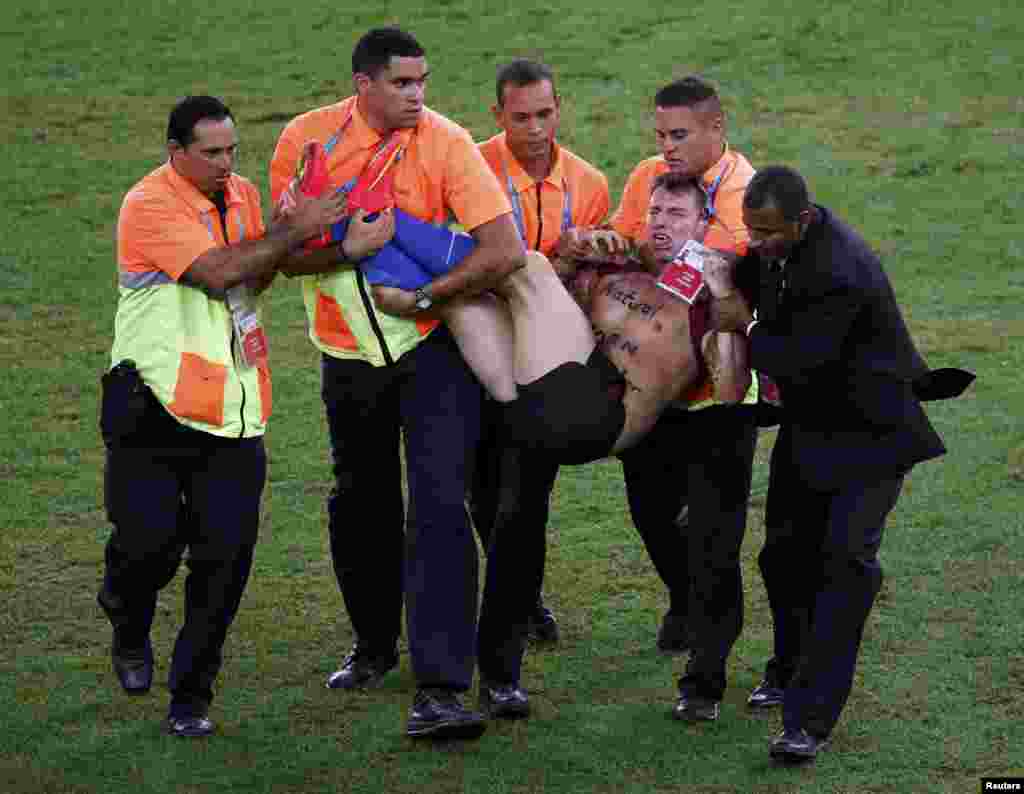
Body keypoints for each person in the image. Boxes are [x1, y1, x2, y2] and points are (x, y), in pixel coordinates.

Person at [366, 173, 748, 718]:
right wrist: (570, 260)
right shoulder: (621, 273)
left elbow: (731, 389)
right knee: (512, 528)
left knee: (524, 268)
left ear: (703, 224)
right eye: (656, 213)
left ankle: (381, 228)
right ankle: (500, 681)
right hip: (549, 401)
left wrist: (727, 299)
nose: (662, 224)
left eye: (677, 215)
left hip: (598, 418)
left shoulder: (711, 303)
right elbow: (549, 314)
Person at [268, 27, 524, 740]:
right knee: (360, 503)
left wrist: (427, 294)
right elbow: (277, 253)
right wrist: (344, 251)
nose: (418, 95)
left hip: (430, 347)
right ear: (363, 84)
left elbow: (505, 249)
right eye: (403, 83)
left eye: (423, 81)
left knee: (439, 504)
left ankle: (442, 687)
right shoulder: (306, 142)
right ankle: (375, 646)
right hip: (345, 356)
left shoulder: (446, 143)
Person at [97, 95, 345, 738]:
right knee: (149, 545)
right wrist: (291, 231)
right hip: (154, 405)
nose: (226, 164)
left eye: (232, 150)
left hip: (235, 411)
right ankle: (127, 612)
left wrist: (281, 229)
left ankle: (190, 698)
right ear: (173, 151)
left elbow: (251, 280)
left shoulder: (239, 196)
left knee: (225, 560)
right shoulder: (149, 204)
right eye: (210, 153)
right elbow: (217, 271)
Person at [706, 165, 966, 762]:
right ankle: (788, 668)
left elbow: (797, 361)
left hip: (873, 437)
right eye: (751, 230)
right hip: (812, 426)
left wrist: (740, 323)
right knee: (783, 555)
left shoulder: (840, 269)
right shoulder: (774, 245)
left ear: (802, 220)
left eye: (768, 232)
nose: (758, 243)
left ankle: (809, 721)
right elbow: (740, 269)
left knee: (843, 567)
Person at [594, 78, 761, 719]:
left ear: (718, 128)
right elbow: (630, 249)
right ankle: (688, 599)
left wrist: (644, 257)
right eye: (660, 135)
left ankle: (705, 680)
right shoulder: (647, 176)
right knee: (651, 512)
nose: (665, 148)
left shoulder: (745, 192)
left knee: (717, 534)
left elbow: (695, 277)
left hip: (722, 393)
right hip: (652, 386)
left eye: (679, 135)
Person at [471, 58, 612, 645]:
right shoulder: (469, 168)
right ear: (497, 114)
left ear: (561, 110)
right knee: (483, 486)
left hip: (550, 356)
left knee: (529, 492)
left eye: (545, 114)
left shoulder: (590, 183)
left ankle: (523, 602)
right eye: (520, 116)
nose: (534, 128)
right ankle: (519, 600)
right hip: (479, 343)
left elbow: (599, 282)